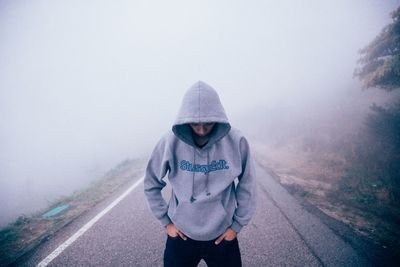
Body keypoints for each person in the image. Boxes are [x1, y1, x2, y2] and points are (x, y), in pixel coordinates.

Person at [144, 81, 257, 267]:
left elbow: (248, 184)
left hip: (223, 237)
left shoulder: (236, 141)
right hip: (181, 237)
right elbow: (151, 182)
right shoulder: (169, 142)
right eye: (195, 124)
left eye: (208, 123)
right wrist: (167, 222)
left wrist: (236, 226)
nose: (202, 130)